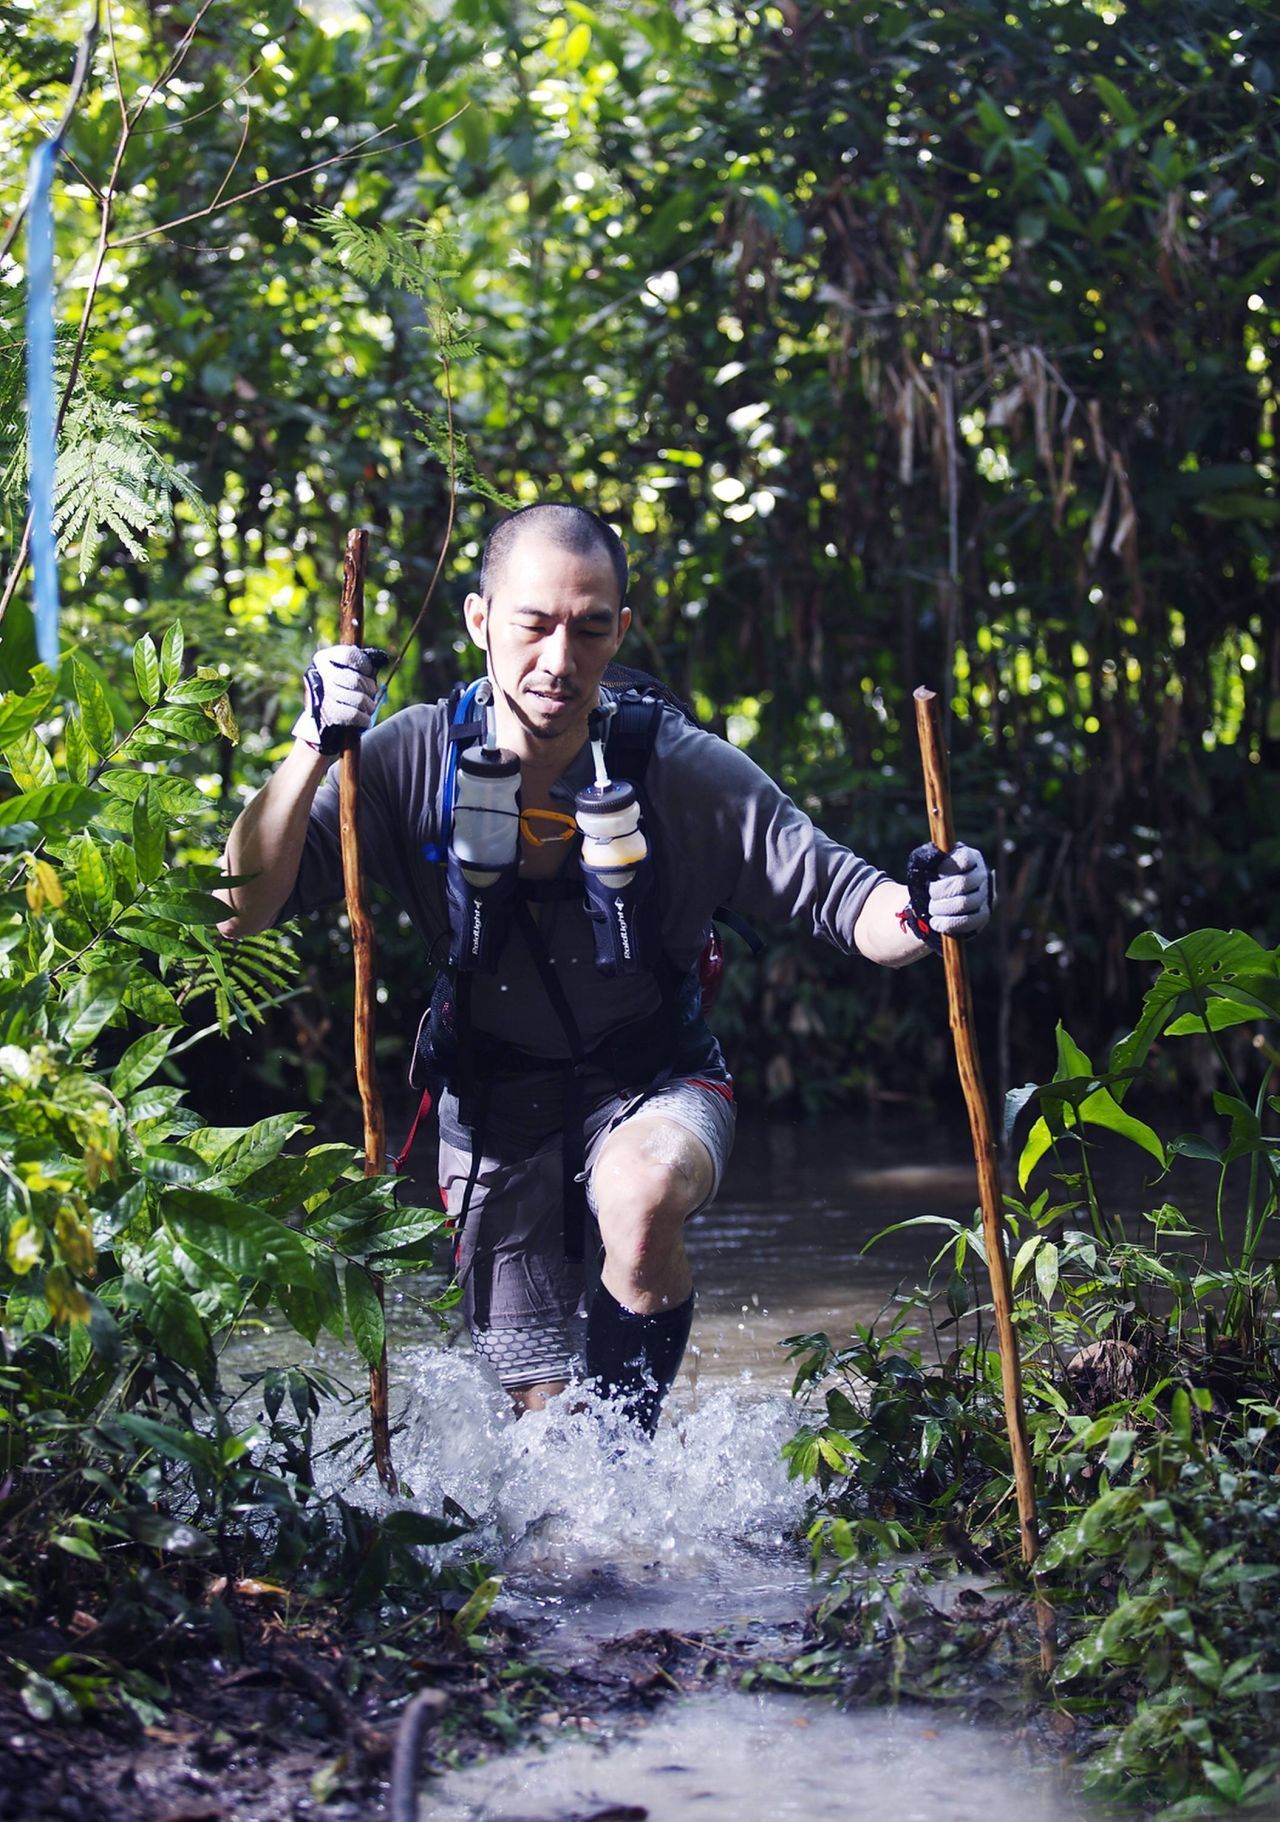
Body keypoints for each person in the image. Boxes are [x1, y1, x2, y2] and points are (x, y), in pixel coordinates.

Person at [217, 504, 992, 1434]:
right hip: (496, 1108)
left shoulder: (677, 767)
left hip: (656, 1080)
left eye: (590, 629)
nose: (560, 660)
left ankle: (632, 1469)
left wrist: (929, 905)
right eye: (534, 624)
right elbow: (238, 909)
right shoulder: (412, 756)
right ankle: (597, 1519)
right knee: (543, 1429)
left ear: (620, 630)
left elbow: (847, 900)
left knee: (641, 1192)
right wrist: (313, 743)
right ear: (479, 620)